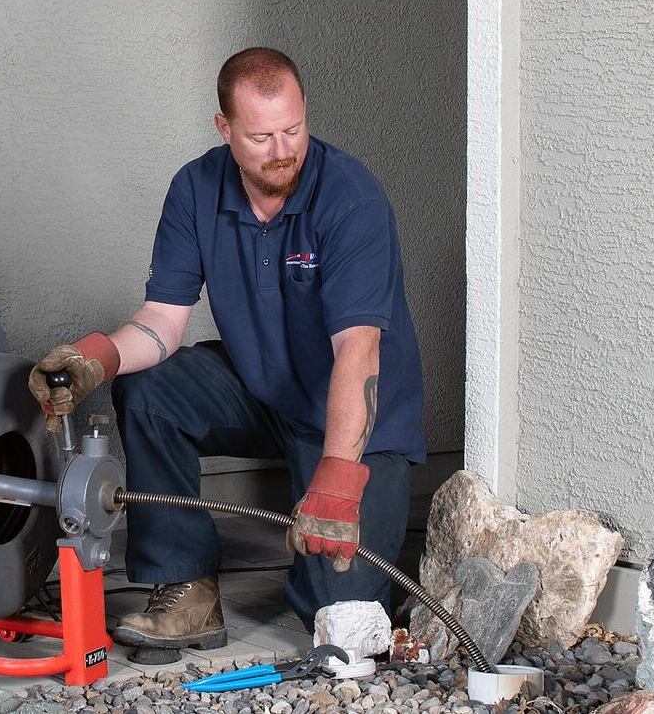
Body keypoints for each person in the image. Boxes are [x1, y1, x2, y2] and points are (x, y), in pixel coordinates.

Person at [28, 47, 427, 656]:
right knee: (152, 391)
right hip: (263, 392)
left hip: (354, 421)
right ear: (225, 128)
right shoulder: (196, 187)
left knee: (346, 619)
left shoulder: (350, 196)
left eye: (293, 129)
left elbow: (359, 347)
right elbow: (163, 320)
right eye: (261, 136)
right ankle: (186, 589)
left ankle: (323, 574)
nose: (282, 150)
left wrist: (341, 477)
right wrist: (97, 359)